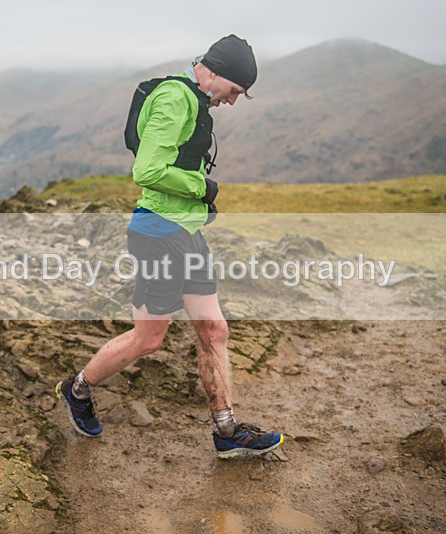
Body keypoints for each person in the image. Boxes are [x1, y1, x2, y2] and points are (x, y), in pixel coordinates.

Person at [56, 35, 283, 459]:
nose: (232, 102)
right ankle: (78, 389)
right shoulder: (173, 98)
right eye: (234, 91)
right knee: (148, 340)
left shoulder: (196, 101)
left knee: (214, 329)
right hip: (158, 235)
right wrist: (201, 186)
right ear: (213, 72)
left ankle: (227, 430)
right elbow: (147, 169)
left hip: (185, 233)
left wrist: (198, 201)